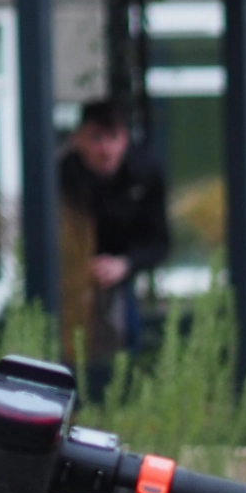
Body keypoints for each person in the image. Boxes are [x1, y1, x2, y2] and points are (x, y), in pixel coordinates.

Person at [58, 98, 170, 391]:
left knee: (123, 345)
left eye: (113, 138)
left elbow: (159, 241)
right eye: (96, 138)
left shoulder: (144, 172)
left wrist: (124, 264)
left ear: (125, 139)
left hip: (120, 279)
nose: (105, 149)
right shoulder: (61, 176)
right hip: (69, 283)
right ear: (77, 140)